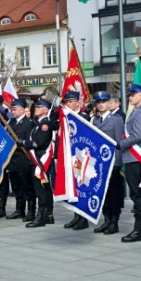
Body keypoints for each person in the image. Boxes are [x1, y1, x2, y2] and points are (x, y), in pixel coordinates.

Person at [119, 84, 141, 243]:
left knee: (137, 195)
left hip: (135, 156)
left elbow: (138, 135)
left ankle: (140, 229)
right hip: (133, 157)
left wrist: (121, 144)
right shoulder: (138, 111)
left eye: (133, 94)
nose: (130, 97)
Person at [90, 91, 125, 235]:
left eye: (103, 102)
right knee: (102, 193)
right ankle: (106, 219)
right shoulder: (94, 120)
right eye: (98, 102)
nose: (100, 104)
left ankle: (114, 222)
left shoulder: (116, 120)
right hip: (98, 164)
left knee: (114, 193)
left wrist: (117, 164)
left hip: (112, 163)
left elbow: (119, 143)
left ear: (108, 103)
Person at [20, 98, 55, 227]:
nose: (36, 108)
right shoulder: (38, 124)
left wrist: (23, 143)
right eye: (36, 107)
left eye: (39, 107)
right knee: (43, 188)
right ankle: (47, 215)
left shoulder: (45, 125)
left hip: (41, 160)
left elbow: (38, 143)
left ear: (46, 110)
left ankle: (41, 216)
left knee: (41, 188)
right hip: (36, 159)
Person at [61, 91, 90, 230]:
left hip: (82, 156)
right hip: (70, 156)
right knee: (72, 187)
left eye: (72, 101)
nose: (69, 104)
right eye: (67, 102)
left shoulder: (83, 116)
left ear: (78, 102)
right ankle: (76, 216)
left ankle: (83, 218)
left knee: (81, 187)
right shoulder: (65, 117)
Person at [5, 99, 34, 221]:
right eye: (12, 109)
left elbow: (29, 141)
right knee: (16, 186)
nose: (13, 111)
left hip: (23, 158)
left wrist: (19, 143)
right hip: (12, 159)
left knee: (27, 187)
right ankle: (19, 209)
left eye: (15, 109)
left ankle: (31, 211)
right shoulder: (10, 122)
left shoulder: (29, 123)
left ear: (22, 109)